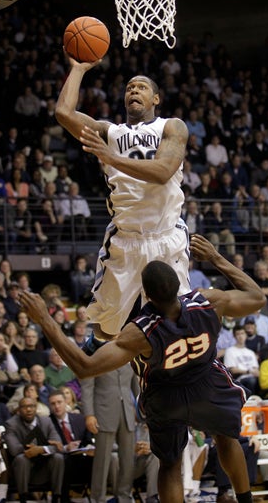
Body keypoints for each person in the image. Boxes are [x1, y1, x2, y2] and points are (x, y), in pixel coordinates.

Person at [19, 234, 266, 503]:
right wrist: (216, 257)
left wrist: (44, 319)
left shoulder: (140, 332)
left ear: (146, 294)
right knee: (227, 439)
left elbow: (84, 367)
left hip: (166, 395)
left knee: (170, 465)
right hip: (207, 383)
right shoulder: (207, 301)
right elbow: (257, 297)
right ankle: (245, 500)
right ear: (179, 285)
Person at [55, 57, 191, 344]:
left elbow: (163, 172)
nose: (133, 91)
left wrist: (110, 157)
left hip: (166, 237)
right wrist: (79, 69)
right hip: (125, 238)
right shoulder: (110, 132)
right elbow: (64, 113)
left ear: (156, 98)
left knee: (180, 324)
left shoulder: (172, 126)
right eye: (129, 87)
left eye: (141, 87)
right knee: (104, 330)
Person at [81, 364, 138, 503]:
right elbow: (87, 387)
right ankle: (97, 498)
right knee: (102, 460)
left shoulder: (130, 356)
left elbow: (137, 388)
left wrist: (142, 410)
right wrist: (89, 414)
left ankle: (124, 497)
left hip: (127, 413)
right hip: (103, 413)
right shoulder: (96, 354)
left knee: (128, 459)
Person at [3, 396, 66, 503]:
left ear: (36, 408)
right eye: (24, 407)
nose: (28, 409)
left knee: (58, 458)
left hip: (44, 469)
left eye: (31, 406)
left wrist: (40, 449)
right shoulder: (11, 424)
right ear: (19, 410)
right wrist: (42, 446)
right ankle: (23, 498)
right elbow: (14, 449)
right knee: (21, 458)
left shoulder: (46, 421)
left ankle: (56, 498)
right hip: (23, 471)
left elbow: (58, 445)